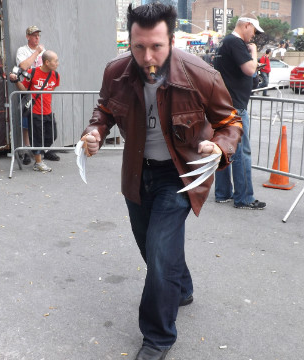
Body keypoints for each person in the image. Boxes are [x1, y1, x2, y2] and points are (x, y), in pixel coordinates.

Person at [81, 4, 241, 359]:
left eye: (156, 46)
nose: (147, 56)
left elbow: (231, 121)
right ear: (130, 42)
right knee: (152, 249)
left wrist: (220, 145)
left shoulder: (201, 74)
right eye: (138, 47)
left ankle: (157, 338)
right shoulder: (117, 71)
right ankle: (180, 287)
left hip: (181, 175)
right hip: (137, 172)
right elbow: (105, 110)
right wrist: (94, 131)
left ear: (171, 39)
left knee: (158, 250)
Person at [213, 14, 267, 210]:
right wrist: (253, 52)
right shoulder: (235, 43)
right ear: (247, 25)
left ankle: (222, 193)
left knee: (223, 148)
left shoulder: (224, 43)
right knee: (241, 151)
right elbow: (250, 69)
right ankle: (244, 198)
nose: (253, 36)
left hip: (223, 104)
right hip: (235, 106)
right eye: (253, 30)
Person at [12, 50, 60, 173]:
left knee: (52, 135)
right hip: (35, 112)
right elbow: (24, 89)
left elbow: (51, 90)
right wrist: (16, 80)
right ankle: (38, 162)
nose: (58, 63)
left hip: (48, 111)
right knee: (37, 138)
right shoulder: (32, 72)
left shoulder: (55, 75)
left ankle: (35, 152)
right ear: (47, 62)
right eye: (56, 61)